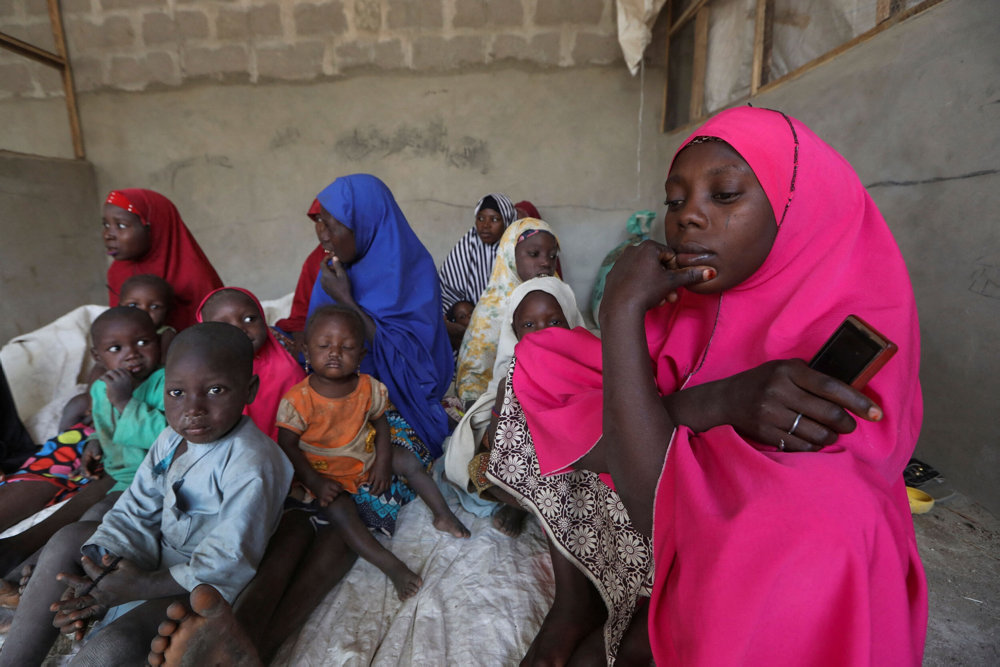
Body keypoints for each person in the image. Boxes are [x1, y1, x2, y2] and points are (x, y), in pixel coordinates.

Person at [487, 107, 927, 665]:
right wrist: (712, 394)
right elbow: (634, 415)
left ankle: (657, 617)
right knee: (540, 364)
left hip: (762, 528)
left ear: (797, 211)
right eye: (675, 200)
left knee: (806, 541)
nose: (688, 217)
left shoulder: (846, 329)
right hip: (659, 486)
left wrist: (629, 327)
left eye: (723, 195)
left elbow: (649, 485)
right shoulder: (690, 307)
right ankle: (577, 604)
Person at [0, 322, 293, 666]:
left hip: (203, 584)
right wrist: (102, 568)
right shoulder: (170, 439)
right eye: (177, 393)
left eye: (215, 390)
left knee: (114, 646)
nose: (193, 408)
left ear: (249, 389)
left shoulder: (253, 463)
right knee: (70, 539)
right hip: (153, 558)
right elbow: (136, 508)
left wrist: (141, 585)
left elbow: (228, 561)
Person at [276, 306, 469, 600]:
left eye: (347, 347)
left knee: (409, 461)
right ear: (305, 349)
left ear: (362, 356)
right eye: (324, 346)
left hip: (363, 454)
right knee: (341, 512)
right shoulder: (298, 400)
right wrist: (315, 482)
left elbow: (380, 423)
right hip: (325, 472)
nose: (335, 353)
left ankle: (442, 514)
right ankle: (390, 565)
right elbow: (287, 444)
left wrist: (384, 461)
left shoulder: (368, 387)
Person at [0, 307, 166, 578]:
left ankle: (36, 571)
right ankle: (25, 565)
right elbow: (103, 425)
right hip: (116, 473)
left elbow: (167, 434)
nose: (132, 353)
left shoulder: (166, 383)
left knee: (95, 519)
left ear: (158, 343)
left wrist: (126, 402)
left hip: (149, 479)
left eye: (142, 342)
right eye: (116, 348)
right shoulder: (102, 387)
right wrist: (95, 443)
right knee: (76, 510)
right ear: (97, 357)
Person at [304, 174, 454, 458]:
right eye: (319, 221)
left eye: (331, 225)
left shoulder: (414, 270)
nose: (322, 234)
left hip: (397, 403)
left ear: (364, 226)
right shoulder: (336, 272)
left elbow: (416, 367)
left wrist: (346, 301)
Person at [443, 277, 582, 536]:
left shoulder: (586, 366)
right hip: (527, 459)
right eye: (529, 324)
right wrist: (505, 398)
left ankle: (548, 509)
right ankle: (526, 506)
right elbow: (497, 440)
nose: (543, 331)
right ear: (515, 332)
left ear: (571, 321)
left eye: (554, 321)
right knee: (481, 466)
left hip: (576, 460)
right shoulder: (512, 375)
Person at [454, 217, 561, 403]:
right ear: (510, 255)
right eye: (534, 254)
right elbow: (473, 378)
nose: (546, 262)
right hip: (502, 402)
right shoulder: (491, 311)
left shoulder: (560, 296)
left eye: (552, 256)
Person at [103, 188, 223, 330]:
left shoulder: (193, 279)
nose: (108, 235)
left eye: (121, 225)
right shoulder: (118, 272)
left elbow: (213, 335)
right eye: (105, 225)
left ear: (154, 228)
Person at [197, 287, 305, 441]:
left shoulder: (287, 370)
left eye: (249, 319)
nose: (241, 329)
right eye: (225, 325)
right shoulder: (202, 373)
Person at [438, 193, 517, 348]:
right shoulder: (466, 247)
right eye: (481, 218)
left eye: (494, 219)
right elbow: (445, 292)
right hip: (463, 331)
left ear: (507, 221)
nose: (485, 225)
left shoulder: (516, 250)